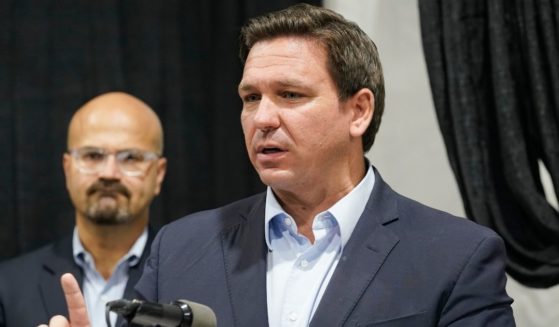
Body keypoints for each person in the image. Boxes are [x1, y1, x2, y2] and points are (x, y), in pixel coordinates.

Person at [40, 4, 515, 327]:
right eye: (251, 98)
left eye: (290, 95)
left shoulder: (456, 258)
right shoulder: (181, 249)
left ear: (359, 110)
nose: (262, 118)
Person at [0, 92, 167, 327]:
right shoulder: (8, 287)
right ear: (67, 169)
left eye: (130, 158)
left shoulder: (189, 277)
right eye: (93, 155)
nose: (109, 173)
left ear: (158, 174)